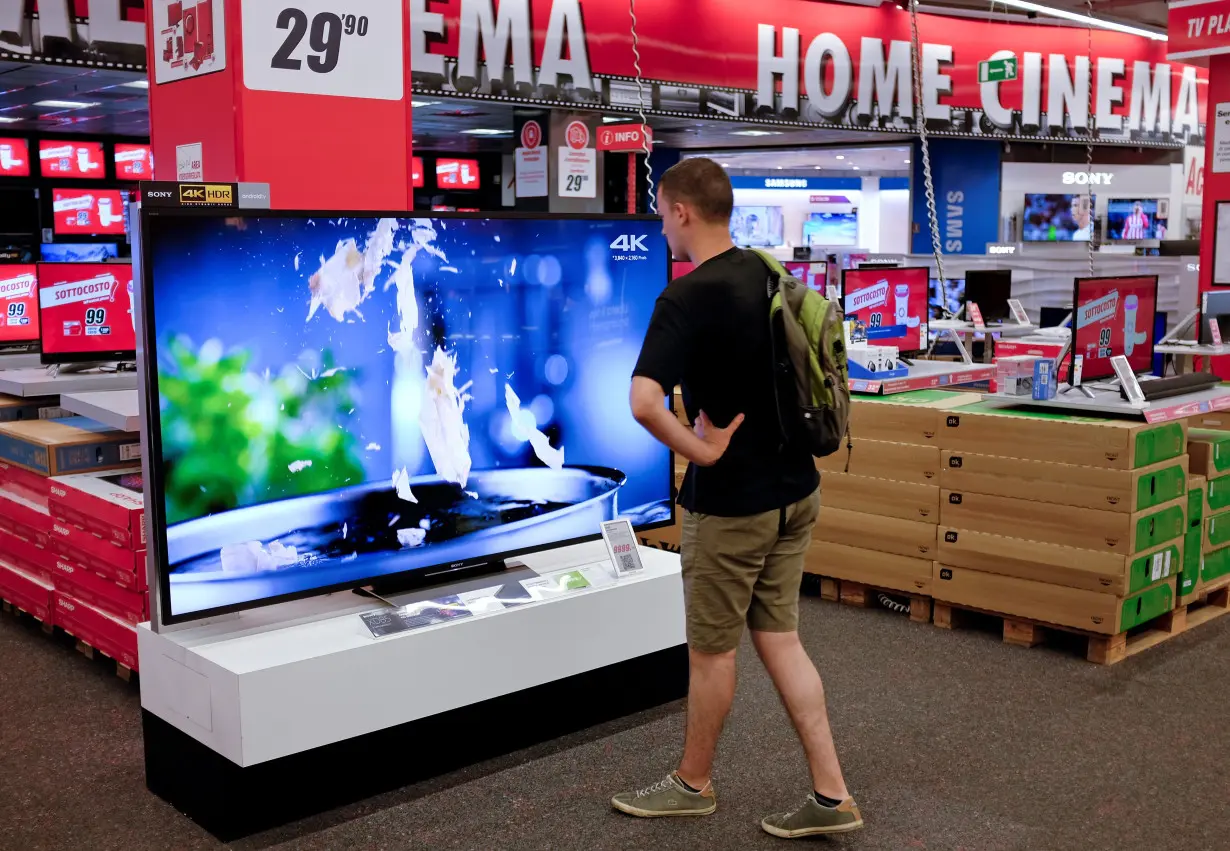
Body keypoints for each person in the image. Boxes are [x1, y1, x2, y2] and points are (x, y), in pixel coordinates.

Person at [610, 157, 862, 839]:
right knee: (781, 638)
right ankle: (832, 794)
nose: (662, 226)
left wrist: (702, 451)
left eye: (662, 212)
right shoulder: (769, 272)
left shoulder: (684, 298)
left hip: (734, 505)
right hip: (795, 491)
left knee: (712, 652)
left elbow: (642, 401)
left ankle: (692, 783)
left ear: (682, 211)